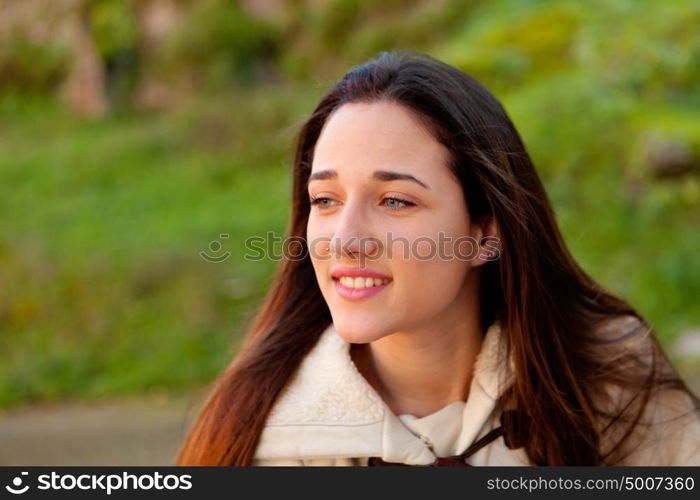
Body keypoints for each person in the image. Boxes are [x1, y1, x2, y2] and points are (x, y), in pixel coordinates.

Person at [177, 51, 700, 466]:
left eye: (395, 201)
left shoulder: (610, 391)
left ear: (484, 230)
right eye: (326, 201)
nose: (346, 239)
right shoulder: (256, 442)